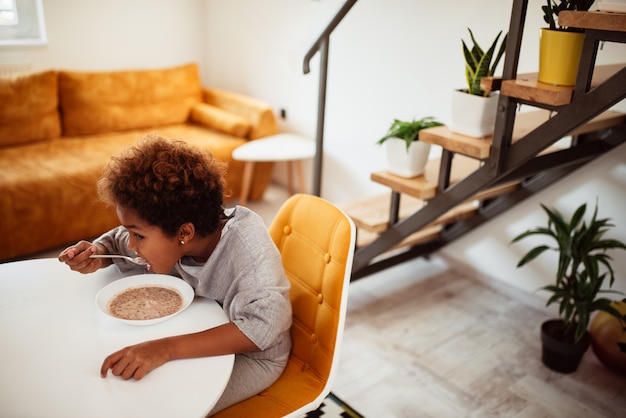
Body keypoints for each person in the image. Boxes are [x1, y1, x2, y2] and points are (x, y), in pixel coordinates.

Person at [58, 134, 292, 415]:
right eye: (131, 232)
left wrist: (165, 349)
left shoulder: (248, 254)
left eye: (138, 235)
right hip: (201, 325)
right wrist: (100, 250)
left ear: (184, 233)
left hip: (252, 355)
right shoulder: (181, 235)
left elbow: (262, 328)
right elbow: (121, 240)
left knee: (162, 406)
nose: (131, 244)